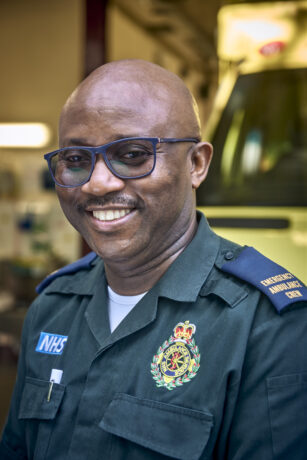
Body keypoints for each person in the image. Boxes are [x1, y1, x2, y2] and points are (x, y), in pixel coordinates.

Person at [1, 59, 307, 460]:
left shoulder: (267, 327)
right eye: (76, 160)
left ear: (197, 164)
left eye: (131, 154)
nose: (97, 183)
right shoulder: (52, 309)